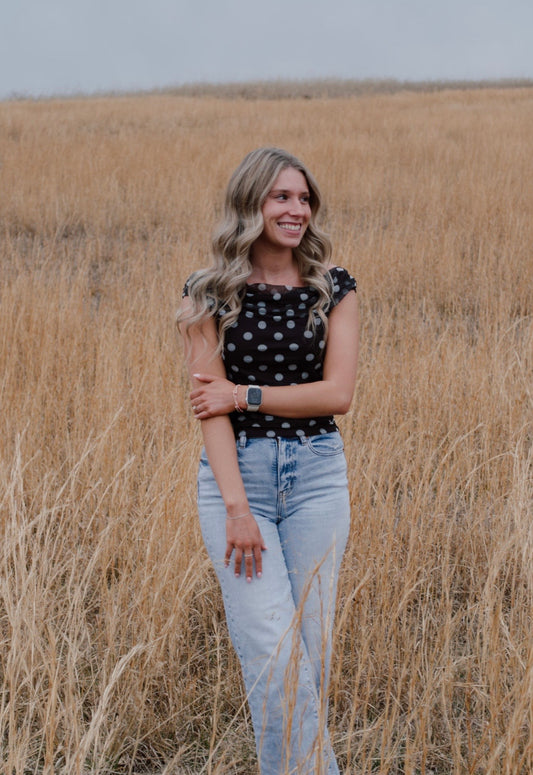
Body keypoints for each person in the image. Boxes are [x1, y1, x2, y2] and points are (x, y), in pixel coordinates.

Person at [177, 147, 359, 775]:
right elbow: (210, 410)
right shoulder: (207, 292)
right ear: (250, 202)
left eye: (304, 199)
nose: (296, 210)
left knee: (308, 659)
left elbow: (338, 394)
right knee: (273, 654)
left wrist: (244, 394)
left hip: (317, 478)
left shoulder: (333, 288)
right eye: (282, 197)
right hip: (240, 482)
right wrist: (236, 509)